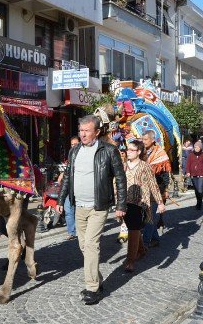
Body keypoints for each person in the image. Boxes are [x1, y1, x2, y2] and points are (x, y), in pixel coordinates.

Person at [57, 115, 127, 305]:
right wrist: (61, 199)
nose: (83, 134)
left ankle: (92, 288)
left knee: (91, 245)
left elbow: (120, 179)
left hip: (99, 206)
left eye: (87, 131)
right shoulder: (74, 151)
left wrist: (121, 205)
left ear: (97, 132)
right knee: (83, 246)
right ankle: (98, 279)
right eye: (81, 131)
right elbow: (67, 177)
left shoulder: (109, 151)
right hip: (78, 206)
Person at [123, 139, 165, 272]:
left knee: (133, 229)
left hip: (140, 203)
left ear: (139, 152)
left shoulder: (144, 166)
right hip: (125, 202)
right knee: (132, 228)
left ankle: (130, 260)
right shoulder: (124, 165)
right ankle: (141, 250)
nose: (128, 152)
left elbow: (153, 184)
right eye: (127, 149)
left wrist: (160, 202)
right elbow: (116, 182)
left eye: (131, 150)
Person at [142, 130, 171, 247]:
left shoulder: (161, 154)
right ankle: (155, 238)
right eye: (142, 139)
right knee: (147, 216)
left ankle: (145, 243)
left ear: (152, 140)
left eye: (145, 139)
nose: (143, 142)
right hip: (142, 190)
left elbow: (165, 174)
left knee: (149, 217)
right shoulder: (141, 152)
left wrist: (165, 190)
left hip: (156, 189)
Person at [58, 136, 81, 240]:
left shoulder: (84, 157)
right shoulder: (70, 156)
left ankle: (80, 231)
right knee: (68, 210)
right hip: (69, 188)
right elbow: (67, 171)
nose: (73, 146)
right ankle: (71, 232)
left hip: (80, 189)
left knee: (79, 212)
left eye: (75, 144)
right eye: (72, 145)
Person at [186, 141, 203, 210]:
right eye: (195, 147)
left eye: (197, 147)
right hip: (193, 175)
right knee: (196, 190)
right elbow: (188, 164)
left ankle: (199, 203)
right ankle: (198, 201)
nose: (196, 148)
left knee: (200, 190)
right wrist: (188, 172)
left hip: (202, 175)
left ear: (200, 148)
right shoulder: (191, 155)